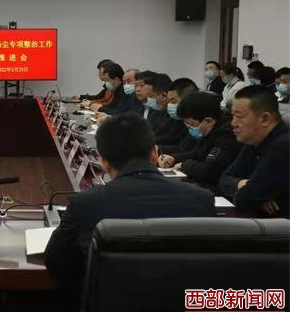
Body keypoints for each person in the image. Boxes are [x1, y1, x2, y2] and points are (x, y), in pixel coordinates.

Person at [44, 113, 215, 290]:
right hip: (184, 305)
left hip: (110, 305)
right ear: (155, 153)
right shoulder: (202, 200)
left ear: (103, 162)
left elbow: (56, 262)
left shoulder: (84, 204)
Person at [219, 86, 289, 218]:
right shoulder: (254, 140)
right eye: (232, 116)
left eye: (239, 116)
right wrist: (243, 184)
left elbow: (245, 199)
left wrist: (252, 196)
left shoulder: (283, 146)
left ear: (265, 119)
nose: (233, 123)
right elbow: (224, 180)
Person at [158, 92, 241, 191]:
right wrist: (174, 158)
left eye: (191, 124)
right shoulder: (209, 129)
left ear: (208, 121)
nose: (189, 128)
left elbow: (211, 171)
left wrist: (184, 165)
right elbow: (197, 153)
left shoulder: (228, 136)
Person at [140, 72, 186, 145]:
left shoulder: (175, 114)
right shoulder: (157, 112)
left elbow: (170, 138)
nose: (149, 100)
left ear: (164, 95)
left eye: (151, 96)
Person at [159, 77, 199, 155]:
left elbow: (187, 150)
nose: (169, 105)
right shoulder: (177, 118)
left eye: (173, 101)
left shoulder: (198, 122)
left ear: (188, 100)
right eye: (169, 101)